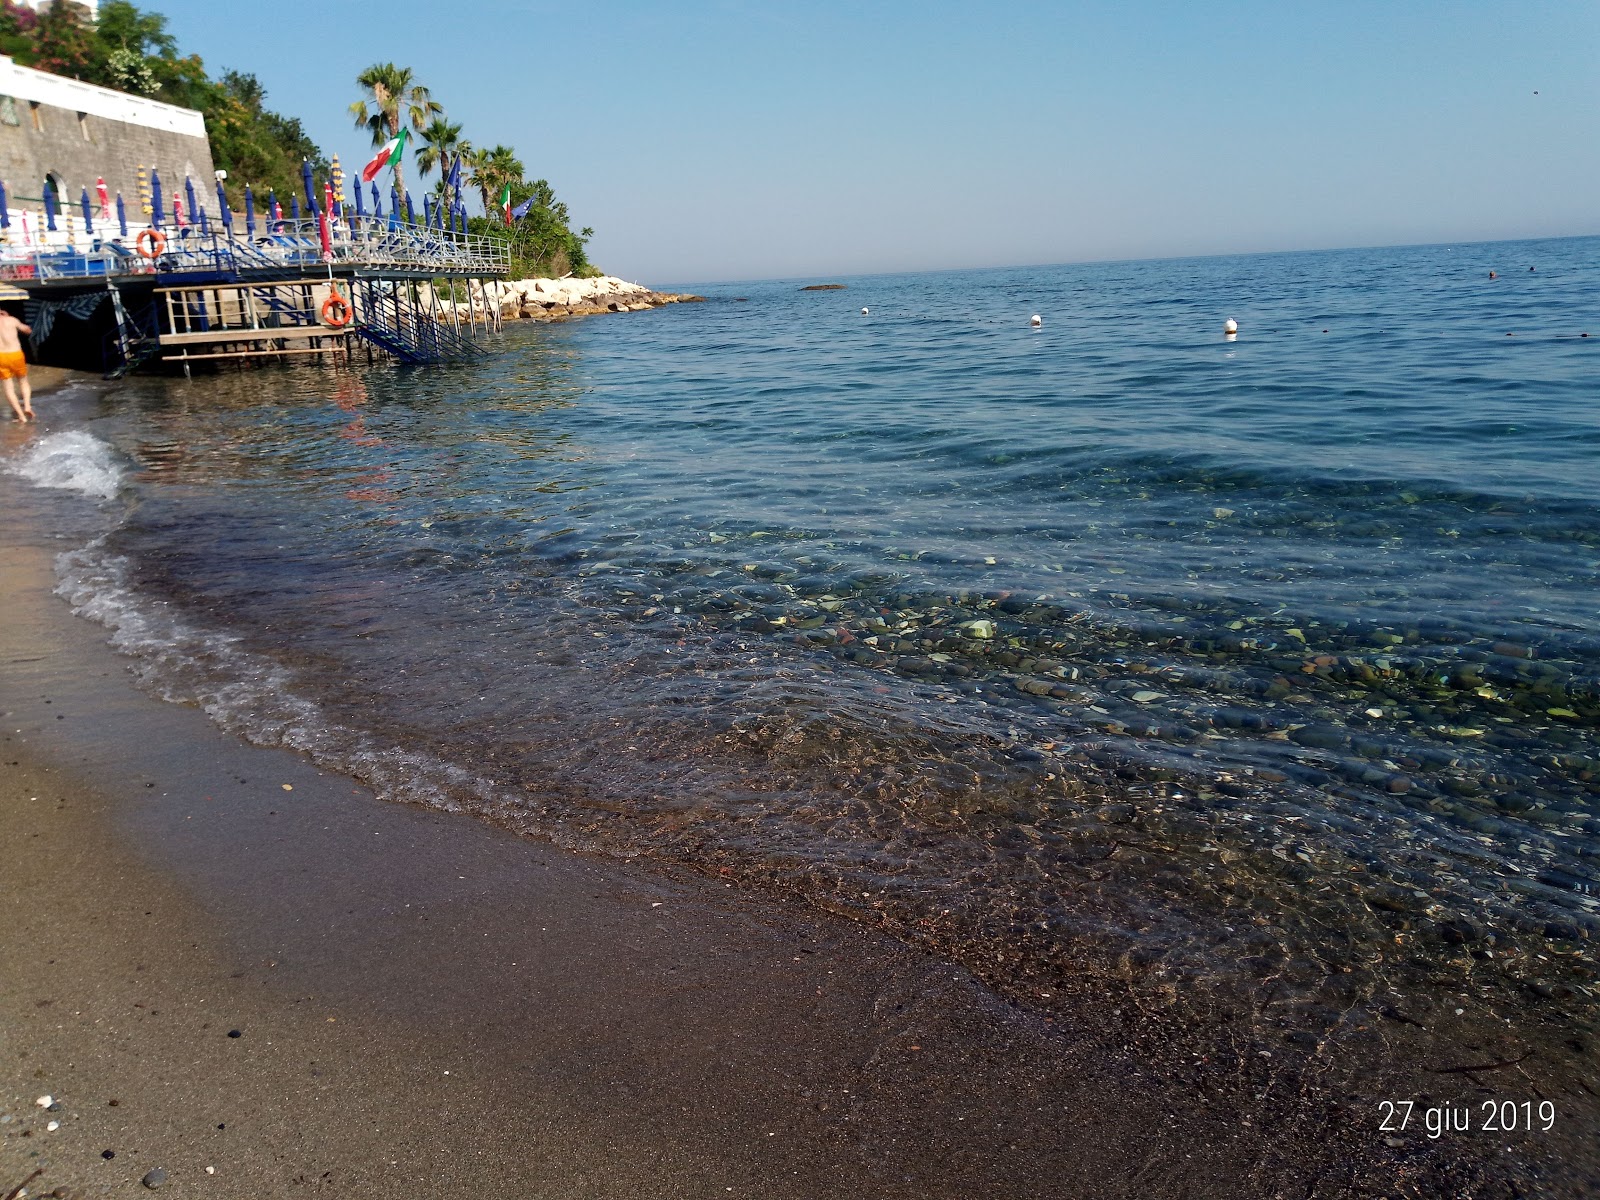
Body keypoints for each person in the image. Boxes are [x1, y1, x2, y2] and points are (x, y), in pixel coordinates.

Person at [0, 308, 33, 422]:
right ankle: (27, 407)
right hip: (16, 354)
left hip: (1, 356)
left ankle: (21, 416)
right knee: (23, 381)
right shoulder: (12, 320)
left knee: (8, 387)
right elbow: (27, 330)